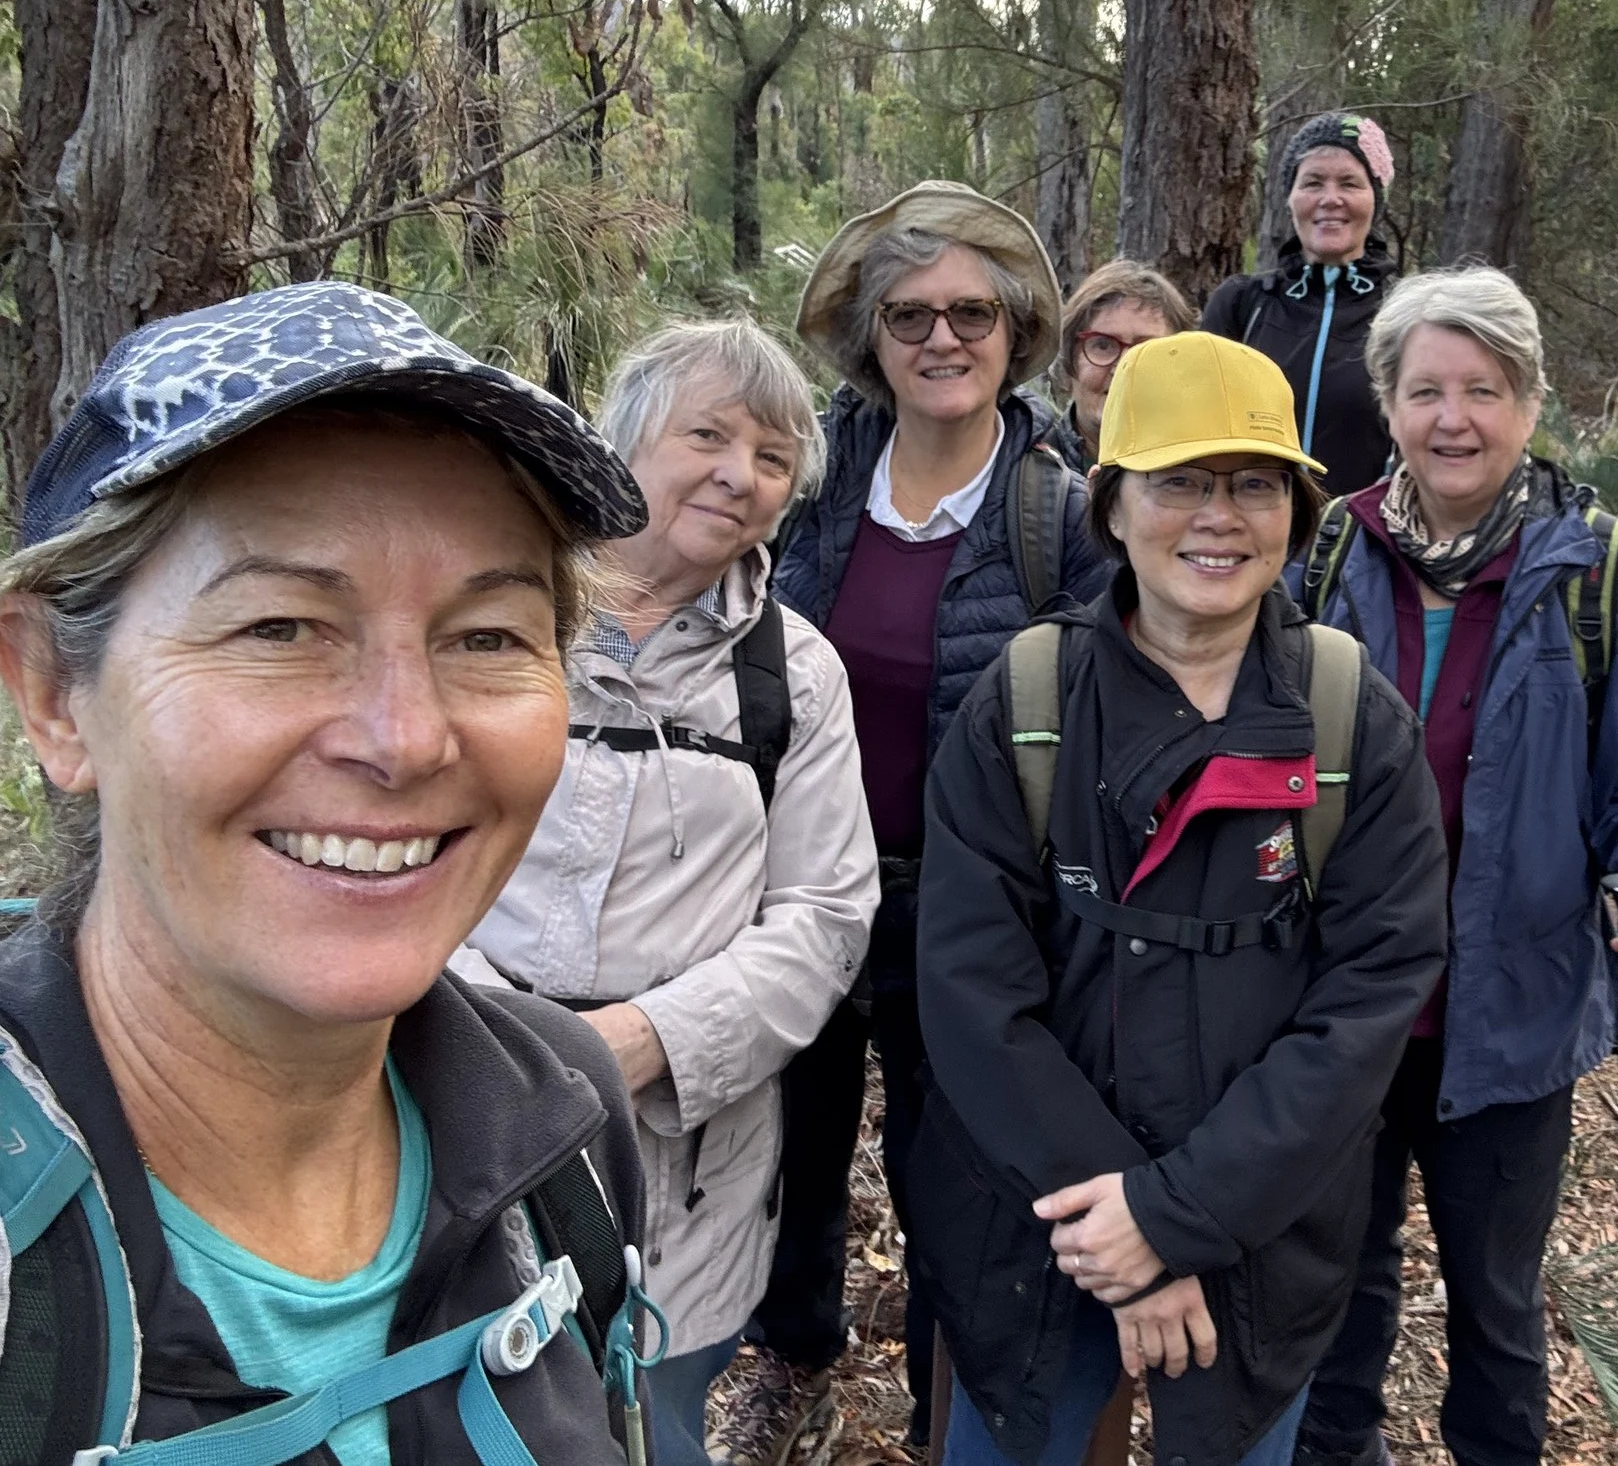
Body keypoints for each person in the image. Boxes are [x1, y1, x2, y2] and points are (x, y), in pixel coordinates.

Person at [0, 283, 654, 1462]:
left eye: (488, 636)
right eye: (280, 629)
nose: (403, 740)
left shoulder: (559, 1127)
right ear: (55, 691)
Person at [912, 330, 1449, 1466]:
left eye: (1253, 485)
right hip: (1038, 1228)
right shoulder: (1023, 702)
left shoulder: (1355, 719)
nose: (1218, 517)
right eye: (1179, 483)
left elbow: (1368, 999)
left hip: (1260, 1231)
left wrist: (1175, 1218)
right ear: (1111, 508)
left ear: (1295, 518)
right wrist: (1110, 1218)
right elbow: (970, 991)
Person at [1289, 268, 1618, 1466]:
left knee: (1496, 1305)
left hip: (1513, 1008)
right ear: (1386, 404)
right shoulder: (1330, 554)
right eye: (1425, 388)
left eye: (1482, 389)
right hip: (1339, 1003)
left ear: (1529, 406)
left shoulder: (1595, 570)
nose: (1453, 418)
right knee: (1333, 1296)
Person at [453, 319, 880, 1463]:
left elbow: (827, 916)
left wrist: (635, 1044)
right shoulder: (495, 616)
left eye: (775, 458)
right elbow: (408, 834)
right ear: (624, 433)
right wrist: (489, 1030)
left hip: (686, 1160)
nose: (740, 475)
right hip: (454, 1097)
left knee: (655, 1418)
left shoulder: (794, 672)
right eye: (708, 434)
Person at [758, 182, 1114, 1439]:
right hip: (798, 893)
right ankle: (788, 1361)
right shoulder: (805, 493)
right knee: (783, 1159)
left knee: (953, 1175)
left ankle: (941, 1404)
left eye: (971, 311)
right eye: (909, 315)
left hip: (968, 917)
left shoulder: (1062, 518)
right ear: (873, 340)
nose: (941, 338)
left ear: (1015, 332)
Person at [1202, 114, 1400, 495]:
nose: (1330, 199)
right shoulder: (1243, 306)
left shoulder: (1404, 315)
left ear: (1376, 200)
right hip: (1250, 537)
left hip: (1366, 544)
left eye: (1349, 183)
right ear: (1290, 199)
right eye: (1312, 182)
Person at [1046, 259, 1197, 466]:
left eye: (1146, 349)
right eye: (1103, 345)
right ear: (1070, 360)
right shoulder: (1023, 472)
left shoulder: (1205, 470)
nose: (1122, 368)